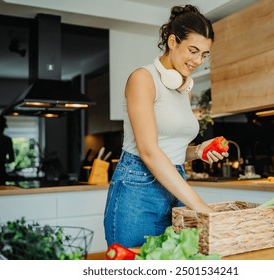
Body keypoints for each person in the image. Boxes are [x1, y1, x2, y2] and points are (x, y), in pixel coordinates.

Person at [103, 4, 229, 248]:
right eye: (193, 50)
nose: (198, 60)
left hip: (175, 187)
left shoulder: (184, 90)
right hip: (138, 190)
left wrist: (197, 151)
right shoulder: (143, 79)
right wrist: (202, 208)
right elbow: (149, 152)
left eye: (204, 54)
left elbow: (171, 150)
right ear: (172, 41)